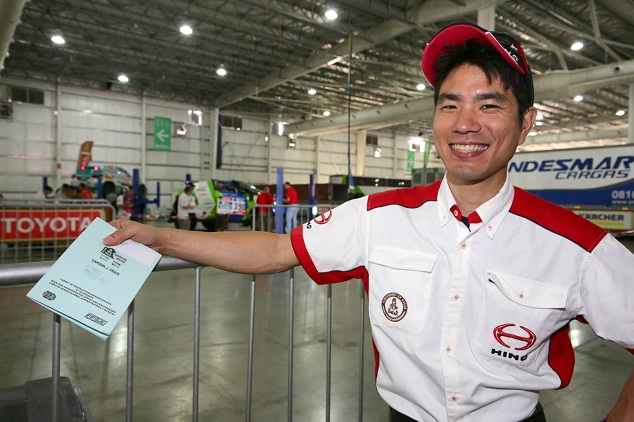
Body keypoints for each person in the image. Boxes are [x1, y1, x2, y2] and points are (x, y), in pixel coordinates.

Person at [103, 23, 634, 422]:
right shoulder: (381, 216)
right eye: (450, 105)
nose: (465, 123)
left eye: (488, 105)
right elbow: (273, 251)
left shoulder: (577, 247)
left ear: (525, 123)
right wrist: (157, 236)